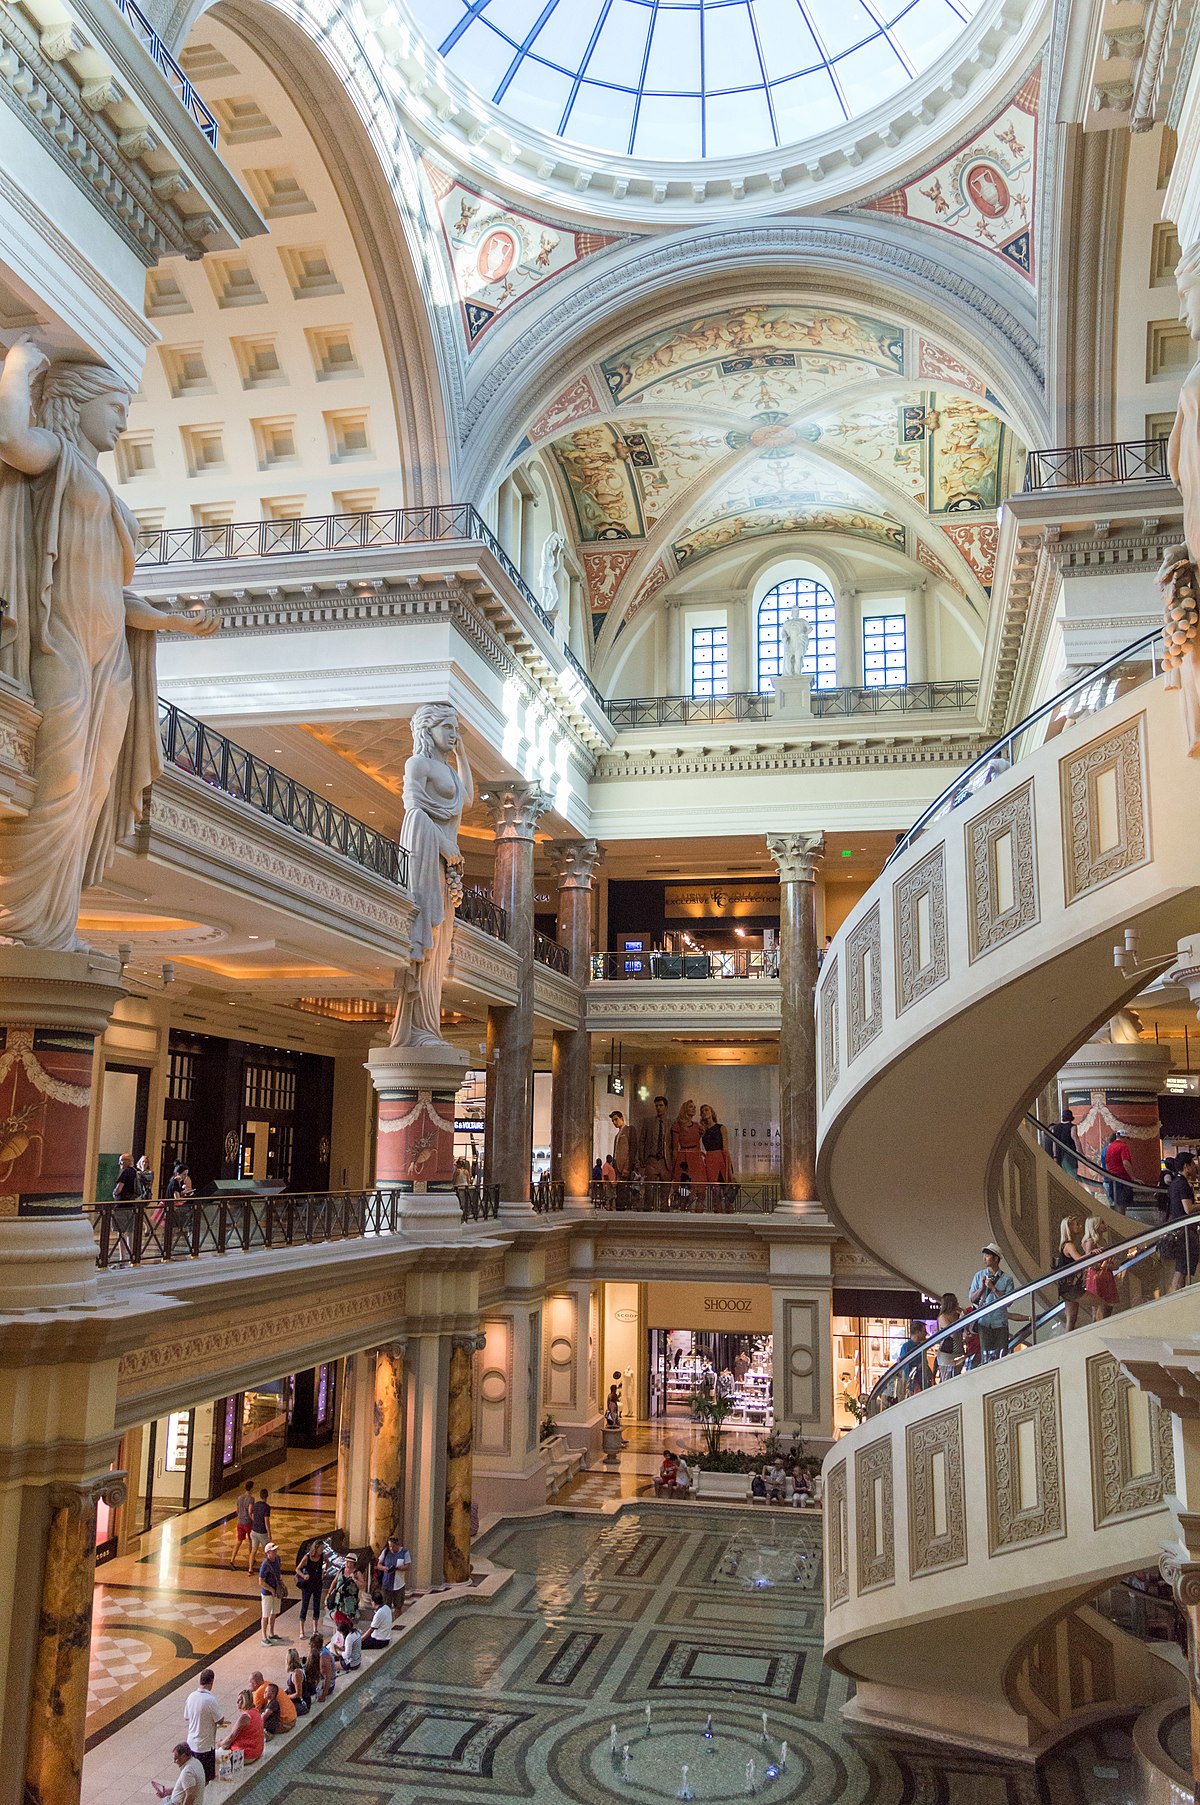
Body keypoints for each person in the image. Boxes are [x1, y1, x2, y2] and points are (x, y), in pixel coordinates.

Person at [387, 702, 473, 1048]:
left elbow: (465, 797)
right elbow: (414, 812)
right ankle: (415, 1028)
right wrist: (442, 844)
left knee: (439, 944)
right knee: (427, 934)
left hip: (444, 863)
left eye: (455, 729)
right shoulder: (417, 763)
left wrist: (463, 751)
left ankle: (428, 1025)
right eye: (447, 729)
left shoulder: (449, 770)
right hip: (428, 857)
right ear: (428, 730)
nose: (453, 735)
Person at [968, 1244, 1016, 1360]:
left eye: (988, 1256)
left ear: (996, 1259)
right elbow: (972, 1298)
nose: (984, 1258)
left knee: (1001, 1356)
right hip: (983, 1322)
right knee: (985, 1356)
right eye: (984, 1255)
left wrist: (993, 1288)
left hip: (1000, 1322)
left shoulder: (1007, 1279)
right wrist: (982, 1289)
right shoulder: (979, 1276)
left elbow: (1008, 1302)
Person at [182, 1670, 221, 1784]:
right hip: (205, 1746)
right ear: (212, 1681)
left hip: (191, 1743)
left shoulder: (191, 1696)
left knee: (193, 1776)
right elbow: (219, 1719)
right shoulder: (210, 1700)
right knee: (205, 1778)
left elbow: (186, 1716)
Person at [1167, 1155, 1198, 1290]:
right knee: (1182, 1269)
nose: (1195, 1166)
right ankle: (1177, 1299)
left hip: (1179, 1230)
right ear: (1186, 1166)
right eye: (1192, 1163)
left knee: (1182, 1269)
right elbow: (1188, 1208)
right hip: (1185, 1232)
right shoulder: (1182, 1184)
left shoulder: (1175, 1183)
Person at [1055, 1214, 1088, 1331]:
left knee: (1071, 1317)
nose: (1080, 1226)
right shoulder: (1069, 1245)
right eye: (1077, 1225)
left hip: (1066, 1287)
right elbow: (1079, 1259)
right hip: (1071, 1287)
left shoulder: (1065, 1244)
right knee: (1101, 1303)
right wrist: (1091, 1253)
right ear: (1069, 1228)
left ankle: (1067, 1342)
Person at [1082, 1217, 1119, 1318]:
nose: (1104, 1224)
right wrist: (1103, 1266)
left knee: (1108, 1305)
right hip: (1096, 1276)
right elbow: (1088, 1261)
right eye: (1101, 1223)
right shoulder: (1090, 1241)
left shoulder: (1103, 1240)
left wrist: (1110, 1265)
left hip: (1106, 1274)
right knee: (1098, 1307)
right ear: (1095, 1226)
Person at [218, 1690, 264, 1765]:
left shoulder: (245, 1717)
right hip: (257, 1751)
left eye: (239, 1700)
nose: (237, 1702)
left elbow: (231, 1737)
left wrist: (220, 1743)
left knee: (216, 1755)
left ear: (244, 1702)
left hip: (247, 1755)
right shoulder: (256, 1712)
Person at [294, 1537, 324, 1636]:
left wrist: (324, 1571)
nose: (322, 1551)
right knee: (305, 1605)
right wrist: (303, 1576)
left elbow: (326, 1563)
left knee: (316, 1606)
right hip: (307, 1585)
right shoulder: (307, 1558)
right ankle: (301, 1629)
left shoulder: (322, 1556)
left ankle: (315, 1629)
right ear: (316, 1548)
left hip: (317, 1584)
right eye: (320, 1549)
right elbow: (297, 1569)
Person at [639, 1094, 672, 1184]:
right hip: (651, 1159)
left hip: (665, 1161)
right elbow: (642, 1141)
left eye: (661, 1105)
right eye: (656, 1106)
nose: (658, 1108)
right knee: (650, 1189)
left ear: (666, 1107)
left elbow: (672, 1144)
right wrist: (642, 1159)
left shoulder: (670, 1124)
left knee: (665, 1189)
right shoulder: (648, 1122)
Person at [670, 1099, 703, 1185]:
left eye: (694, 1107)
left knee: (697, 1184)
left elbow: (698, 1143)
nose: (693, 1109)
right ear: (685, 1109)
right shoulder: (678, 1125)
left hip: (695, 1157)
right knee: (684, 1186)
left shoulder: (697, 1126)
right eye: (690, 1107)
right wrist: (674, 1165)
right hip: (683, 1157)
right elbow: (674, 1147)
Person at [1103, 1130, 1136, 1213]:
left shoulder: (1109, 1147)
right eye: (1127, 1138)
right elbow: (1125, 1162)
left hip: (1112, 1180)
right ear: (1124, 1137)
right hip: (1122, 1179)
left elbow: (1107, 1164)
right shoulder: (1123, 1147)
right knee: (1122, 1205)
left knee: (1116, 1203)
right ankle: (1122, 1223)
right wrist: (1133, 1177)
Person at [896, 1321, 932, 1394]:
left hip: (922, 1380)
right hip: (915, 1383)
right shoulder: (906, 1347)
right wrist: (910, 1384)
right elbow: (905, 1368)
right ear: (917, 1332)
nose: (926, 1334)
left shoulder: (922, 1345)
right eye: (923, 1331)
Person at [259, 1542, 284, 1645]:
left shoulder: (277, 1559)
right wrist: (271, 1590)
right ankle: (264, 1636)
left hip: (276, 1591)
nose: (275, 1552)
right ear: (268, 1553)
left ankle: (271, 1633)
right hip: (267, 1593)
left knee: (274, 1612)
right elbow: (261, 1582)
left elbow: (278, 1572)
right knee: (265, 1615)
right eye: (273, 1551)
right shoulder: (265, 1565)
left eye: (275, 1550)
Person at [934, 1293, 963, 1381]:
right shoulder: (942, 1317)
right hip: (946, 1354)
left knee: (958, 1379)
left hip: (959, 1351)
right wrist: (961, 1320)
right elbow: (951, 1333)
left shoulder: (957, 1315)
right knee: (947, 1379)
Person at [378, 1535, 410, 1614]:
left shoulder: (404, 1552)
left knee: (398, 1606)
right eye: (390, 1546)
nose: (391, 1548)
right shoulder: (386, 1551)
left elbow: (407, 1565)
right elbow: (379, 1564)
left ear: (398, 1545)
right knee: (386, 1606)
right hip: (387, 1583)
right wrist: (384, 1568)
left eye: (393, 1546)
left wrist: (399, 1568)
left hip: (399, 1584)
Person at [326, 1559, 361, 1627]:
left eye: (350, 1562)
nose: (348, 1564)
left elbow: (362, 1585)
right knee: (336, 1617)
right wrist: (329, 1593)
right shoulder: (341, 1570)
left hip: (349, 1601)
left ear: (354, 1563)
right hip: (338, 1600)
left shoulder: (357, 1573)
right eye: (347, 1562)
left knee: (347, 1619)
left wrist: (355, 1579)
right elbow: (334, 1581)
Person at [231, 1481, 255, 1569]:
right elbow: (250, 1511)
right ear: (252, 1488)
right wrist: (253, 1520)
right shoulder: (251, 1499)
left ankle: (232, 1559)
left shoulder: (239, 1498)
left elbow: (237, 1510)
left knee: (239, 1541)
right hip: (248, 1522)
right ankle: (251, 1558)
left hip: (240, 1522)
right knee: (251, 1540)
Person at [305, 1633, 335, 1703]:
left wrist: (323, 1696)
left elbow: (328, 1678)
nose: (309, 1646)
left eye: (310, 1644)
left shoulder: (324, 1658)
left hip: (328, 1686)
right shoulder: (322, 1650)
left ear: (314, 1645)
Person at [247, 1488, 271, 1574]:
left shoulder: (256, 1505)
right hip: (262, 1532)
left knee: (253, 1550)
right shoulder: (267, 1507)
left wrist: (255, 1522)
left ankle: (250, 1569)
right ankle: (268, 1569)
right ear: (267, 1496)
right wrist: (269, 1533)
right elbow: (266, 1521)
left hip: (254, 1530)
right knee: (267, 1551)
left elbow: (252, 1514)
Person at [1049, 1109, 1078, 1176]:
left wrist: (1055, 1156)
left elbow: (1054, 1143)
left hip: (1059, 1156)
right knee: (1072, 1177)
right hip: (1070, 1155)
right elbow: (1076, 1140)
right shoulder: (1072, 1127)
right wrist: (1081, 1154)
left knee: (1061, 1177)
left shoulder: (1055, 1128)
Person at [285, 1647, 311, 1716]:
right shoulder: (293, 1671)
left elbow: (298, 1694)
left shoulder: (297, 1674)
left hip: (302, 1704)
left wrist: (287, 1697)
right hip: (296, 1701)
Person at [609, 1109, 634, 1180]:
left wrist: (627, 1167)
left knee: (624, 1188)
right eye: (613, 1121)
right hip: (617, 1167)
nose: (614, 1122)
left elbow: (632, 1149)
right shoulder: (617, 1135)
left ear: (622, 1118)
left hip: (624, 1167)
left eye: (616, 1119)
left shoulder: (629, 1130)